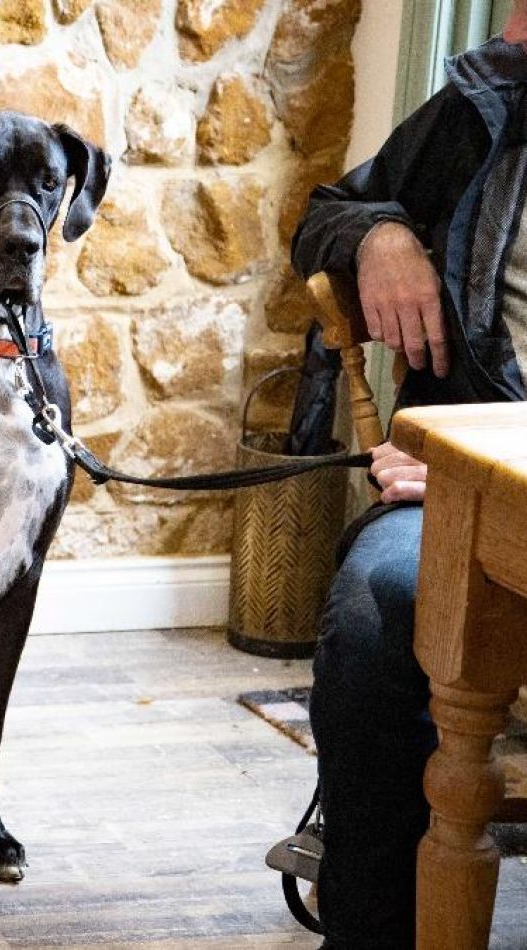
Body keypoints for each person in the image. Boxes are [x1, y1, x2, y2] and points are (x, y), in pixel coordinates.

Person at [290, 13, 527, 949]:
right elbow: (325, 212)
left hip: (480, 473)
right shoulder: (488, 109)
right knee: (376, 612)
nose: (513, 26)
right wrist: (380, 233)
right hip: (467, 492)